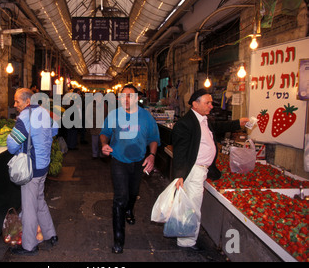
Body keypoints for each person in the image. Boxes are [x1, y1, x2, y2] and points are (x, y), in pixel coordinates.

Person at [171, 88, 248, 250]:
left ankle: (187, 238)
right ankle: (186, 241)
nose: (211, 106)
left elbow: (219, 126)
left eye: (211, 103)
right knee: (192, 208)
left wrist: (238, 123)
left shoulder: (203, 120)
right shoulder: (185, 124)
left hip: (202, 170)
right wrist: (179, 176)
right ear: (195, 104)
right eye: (207, 103)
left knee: (193, 206)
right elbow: (180, 152)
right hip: (193, 171)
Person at [100, 84, 160, 254]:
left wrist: (152, 155)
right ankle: (119, 240)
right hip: (119, 160)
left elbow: (154, 138)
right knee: (120, 197)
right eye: (123, 96)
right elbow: (105, 132)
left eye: (130, 96)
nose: (126, 99)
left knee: (133, 193)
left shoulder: (146, 116)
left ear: (136, 98)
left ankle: (129, 209)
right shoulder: (114, 115)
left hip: (138, 161)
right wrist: (104, 144)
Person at [7, 88, 58, 256]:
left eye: (17, 101)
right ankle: (50, 234)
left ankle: (30, 245)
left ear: (27, 101)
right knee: (39, 200)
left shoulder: (25, 117)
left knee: (29, 207)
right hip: (43, 166)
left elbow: (12, 144)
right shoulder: (44, 112)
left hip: (31, 168)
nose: (15, 105)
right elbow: (55, 129)